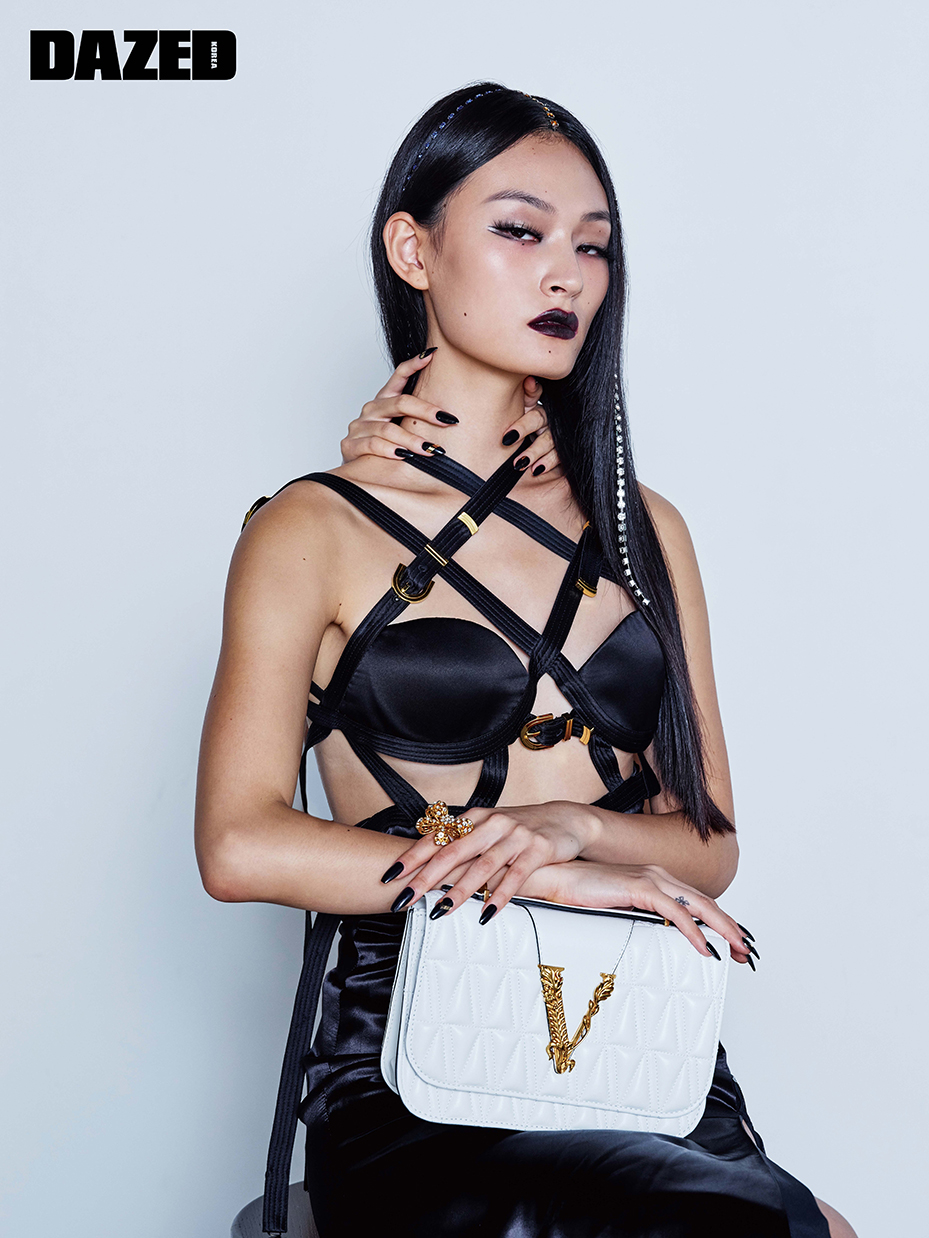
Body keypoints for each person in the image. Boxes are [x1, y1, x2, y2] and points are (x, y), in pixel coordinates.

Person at [195, 83, 856, 1238]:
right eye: (518, 229)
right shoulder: (310, 527)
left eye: (591, 246)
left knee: (789, 1219)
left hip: (637, 1034)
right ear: (413, 250)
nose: (565, 274)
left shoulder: (643, 527)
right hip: (413, 1056)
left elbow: (707, 843)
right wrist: (539, 875)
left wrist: (572, 827)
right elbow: (236, 844)